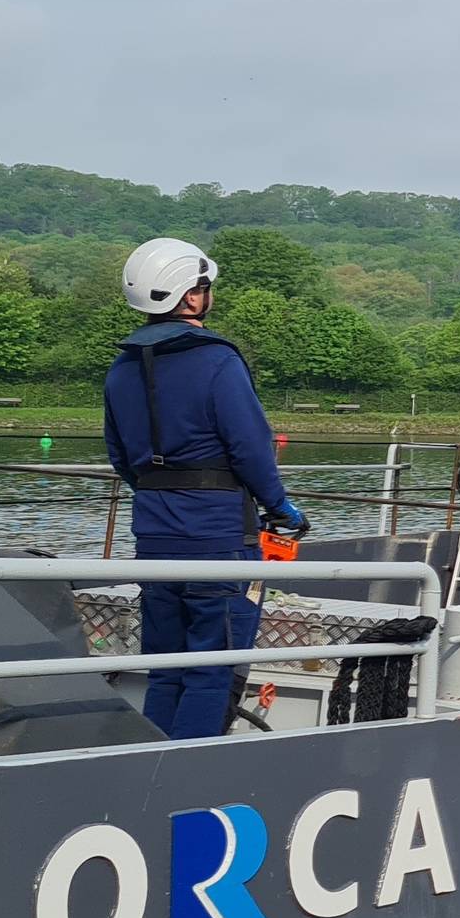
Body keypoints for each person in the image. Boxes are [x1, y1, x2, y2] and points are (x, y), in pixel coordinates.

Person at [101, 238, 305, 740]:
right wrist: (281, 508)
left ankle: (149, 767)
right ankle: (191, 781)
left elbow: (121, 457)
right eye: (203, 287)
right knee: (214, 668)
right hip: (218, 536)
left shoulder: (122, 367)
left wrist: (161, 494)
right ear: (190, 297)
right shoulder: (217, 361)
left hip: (152, 535)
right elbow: (251, 448)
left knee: (166, 665)